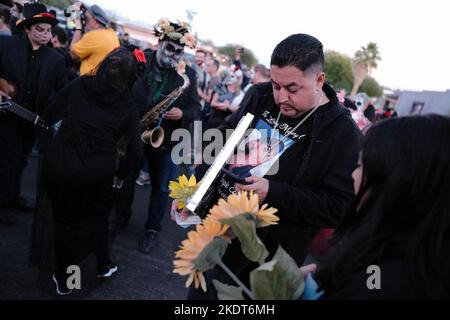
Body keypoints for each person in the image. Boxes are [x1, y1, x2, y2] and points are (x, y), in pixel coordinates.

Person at [189, 33, 361, 299]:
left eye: (292, 89)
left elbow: (336, 208)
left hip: (265, 262)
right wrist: (194, 193)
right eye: (275, 85)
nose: (281, 97)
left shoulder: (342, 133)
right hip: (216, 232)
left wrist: (274, 192)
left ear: (319, 80)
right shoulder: (261, 97)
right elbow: (225, 140)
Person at [313, 115, 450, 299]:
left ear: (395, 183)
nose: (352, 175)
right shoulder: (401, 258)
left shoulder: (389, 284)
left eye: (360, 165)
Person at [41, 47, 142, 295]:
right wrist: (122, 174)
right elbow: (136, 152)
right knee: (96, 218)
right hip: (96, 174)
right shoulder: (128, 106)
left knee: (64, 220)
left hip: (60, 164)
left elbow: (51, 111)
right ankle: (77, 273)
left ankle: (78, 273)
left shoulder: (81, 84)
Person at [130, 18, 201, 253]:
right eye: (171, 48)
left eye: (180, 51)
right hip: (136, 132)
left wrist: (182, 112)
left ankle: (152, 229)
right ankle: (120, 217)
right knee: (127, 177)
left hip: (167, 140)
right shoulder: (142, 60)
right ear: (160, 42)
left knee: (161, 188)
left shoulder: (187, 72)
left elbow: (196, 108)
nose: (175, 55)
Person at [0, 2, 67, 225]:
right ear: (27, 28)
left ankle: (13, 196)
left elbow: (62, 90)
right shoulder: (6, 44)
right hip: (5, 115)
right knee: (8, 161)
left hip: (33, 120)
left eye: (49, 30)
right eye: (40, 29)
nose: (46, 34)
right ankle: (2, 204)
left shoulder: (56, 59)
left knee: (21, 160)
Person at [69, 2, 119, 75]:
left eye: (87, 18)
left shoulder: (94, 36)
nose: (85, 21)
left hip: (87, 82)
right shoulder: (112, 34)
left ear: (95, 21)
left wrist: (78, 27)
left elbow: (73, 54)